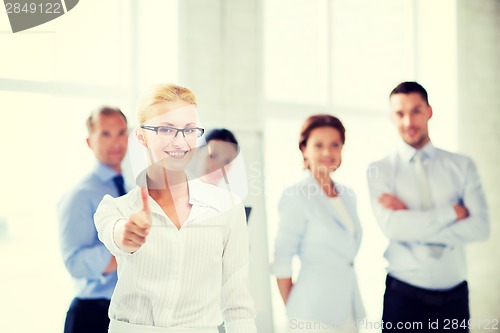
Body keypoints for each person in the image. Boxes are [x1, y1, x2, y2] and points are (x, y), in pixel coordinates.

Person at [94, 84, 256, 333]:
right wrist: (128, 234)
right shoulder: (116, 209)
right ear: (141, 136)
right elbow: (118, 236)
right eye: (166, 129)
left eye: (189, 130)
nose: (180, 141)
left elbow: (237, 305)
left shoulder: (228, 209)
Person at [367, 81, 489, 332]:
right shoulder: (380, 170)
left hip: (454, 298)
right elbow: (394, 230)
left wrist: (411, 221)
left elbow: (480, 228)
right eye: (400, 114)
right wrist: (452, 214)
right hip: (403, 297)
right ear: (392, 117)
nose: (408, 122)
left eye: (416, 111)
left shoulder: (462, 165)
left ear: (429, 111)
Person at [273, 114, 365, 333]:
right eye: (319, 145)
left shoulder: (348, 195)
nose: (327, 152)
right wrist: (296, 311)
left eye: (335, 145)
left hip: (349, 309)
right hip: (312, 313)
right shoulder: (297, 195)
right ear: (304, 149)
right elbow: (282, 258)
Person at [58, 106, 129, 333]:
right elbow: (74, 263)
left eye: (121, 133)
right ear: (90, 142)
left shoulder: (129, 190)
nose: (116, 142)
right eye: (105, 134)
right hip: (92, 315)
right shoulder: (80, 195)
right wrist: (127, 250)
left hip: (124, 315)